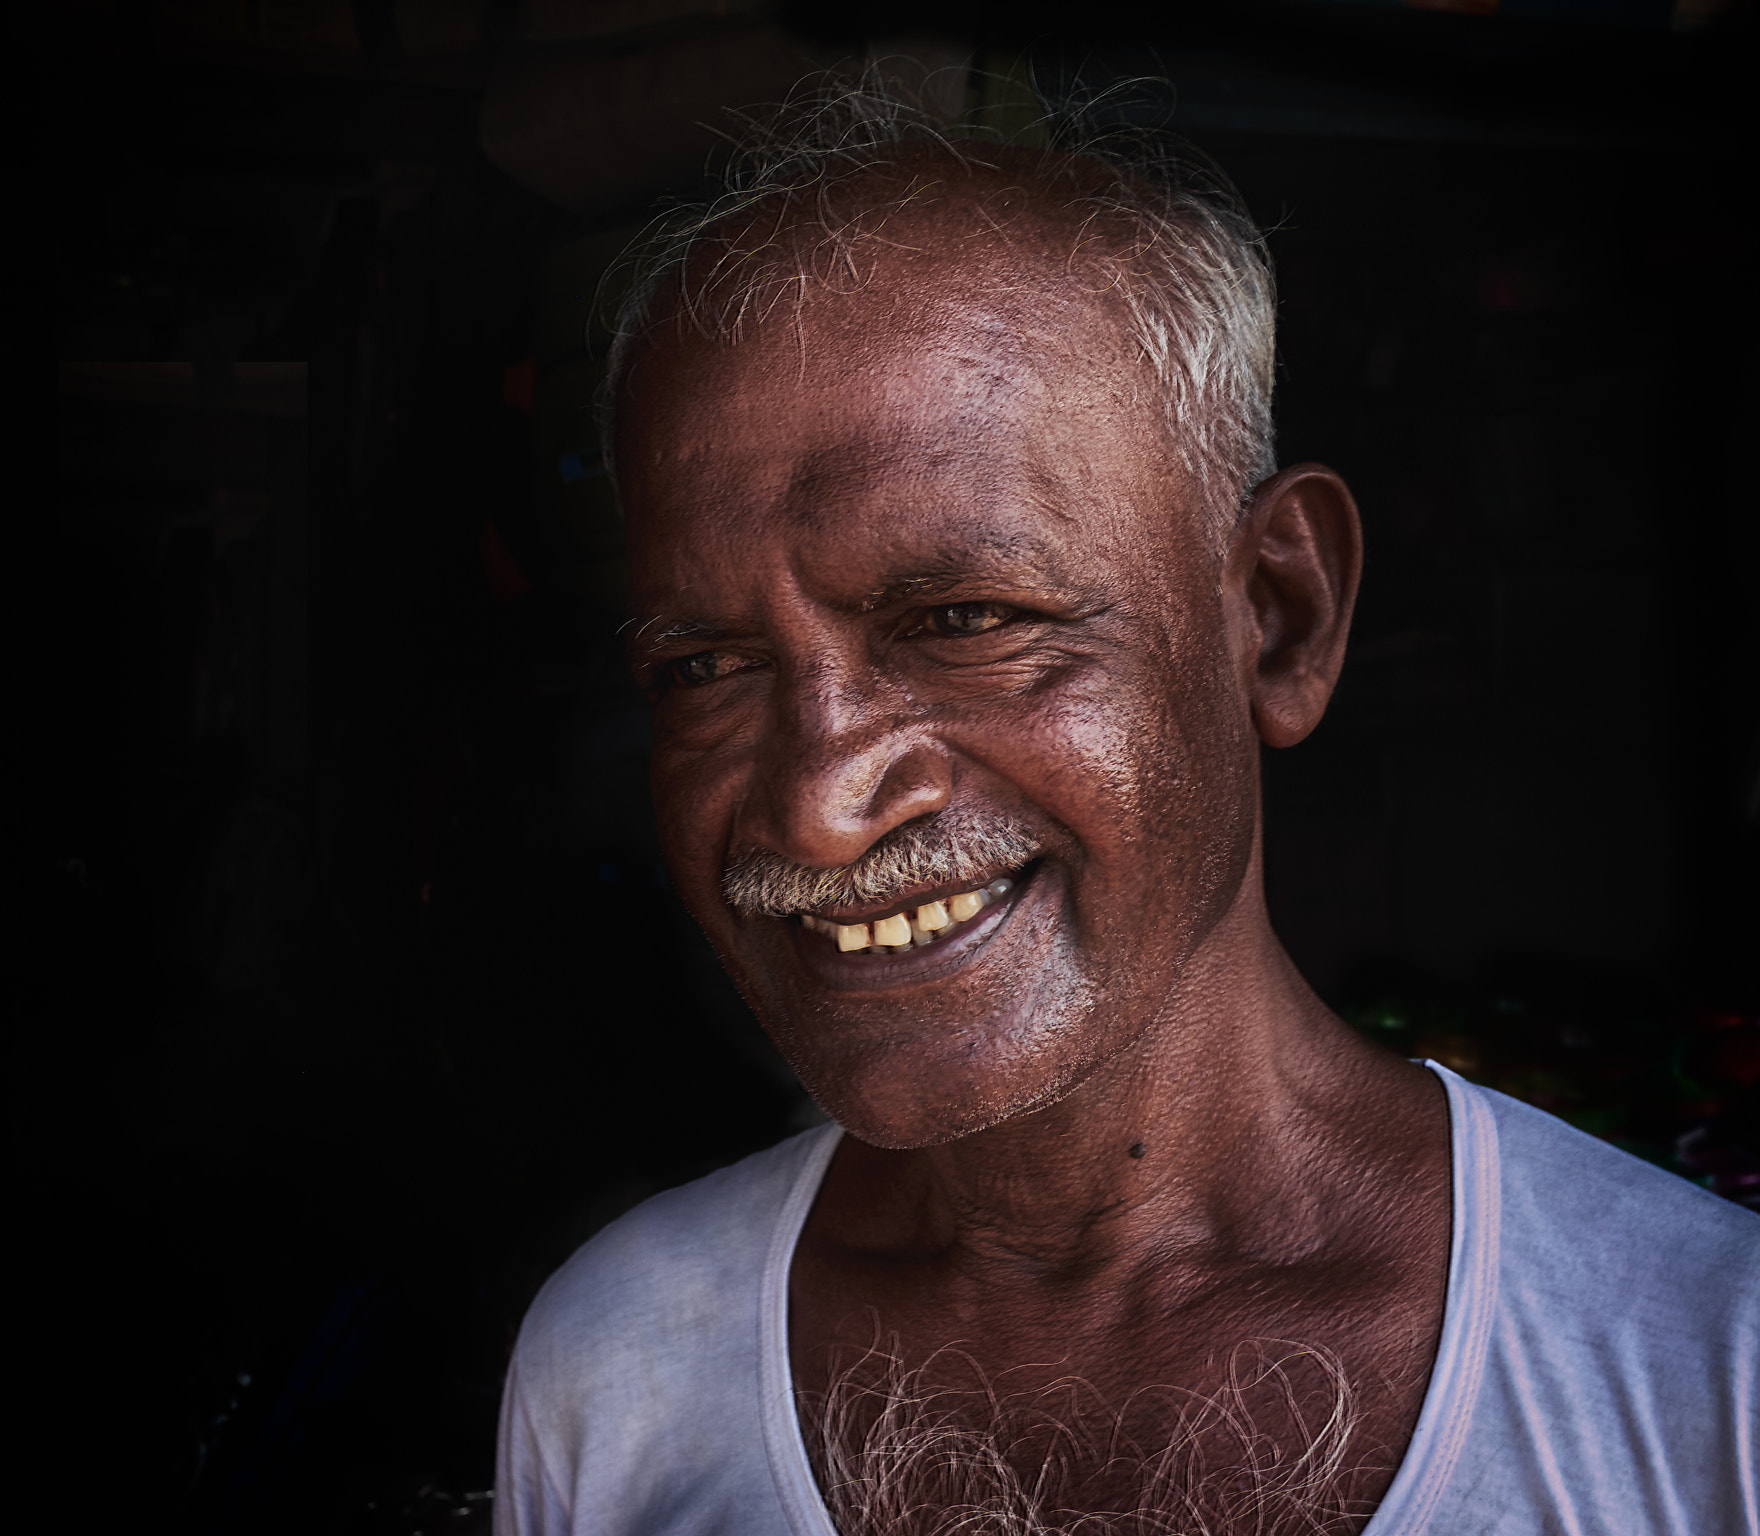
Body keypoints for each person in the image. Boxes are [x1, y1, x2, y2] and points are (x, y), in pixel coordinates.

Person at [493, 81, 1758, 1536]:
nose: (820, 806)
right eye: (705, 666)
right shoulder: (616, 1373)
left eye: (967, 617)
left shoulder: (1706, 1374)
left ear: (1277, 617)